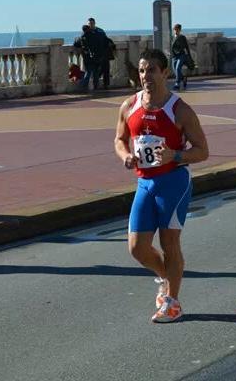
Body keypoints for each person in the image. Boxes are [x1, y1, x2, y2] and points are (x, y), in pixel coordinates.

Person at [114, 49, 209, 323]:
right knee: (137, 248)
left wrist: (175, 155)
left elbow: (202, 151)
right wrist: (126, 156)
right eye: (142, 70)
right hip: (145, 182)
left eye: (152, 70)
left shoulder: (179, 110)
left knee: (170, 242)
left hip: (174, 182)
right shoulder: (129, 106)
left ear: (165, 73)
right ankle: (165, 278)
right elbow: (119, 139)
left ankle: (173, 301)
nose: (146, 76)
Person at [88, 17, 111, 89]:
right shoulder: (87, 32)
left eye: (91, 23)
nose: (90, 25)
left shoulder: (100, 31)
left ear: (94, 23)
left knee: (106, 70)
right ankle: (96, 85)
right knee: (97, 71)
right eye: (89, 24)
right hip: (95, 55)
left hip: (103, 53)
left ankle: (106, 84)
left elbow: (106, 40)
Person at [171, 24, 191, 91]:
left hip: (181, 55)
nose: (176, 31)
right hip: (174, 56)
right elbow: (171, 47)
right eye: (175, 29)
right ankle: (183, 79)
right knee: (175, 70)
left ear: (180, 30)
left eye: (177, 30)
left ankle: (177, 83)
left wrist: (189, 56)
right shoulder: (172, 37)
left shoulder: (182, 37)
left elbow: (186, 47)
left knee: (177, 68)